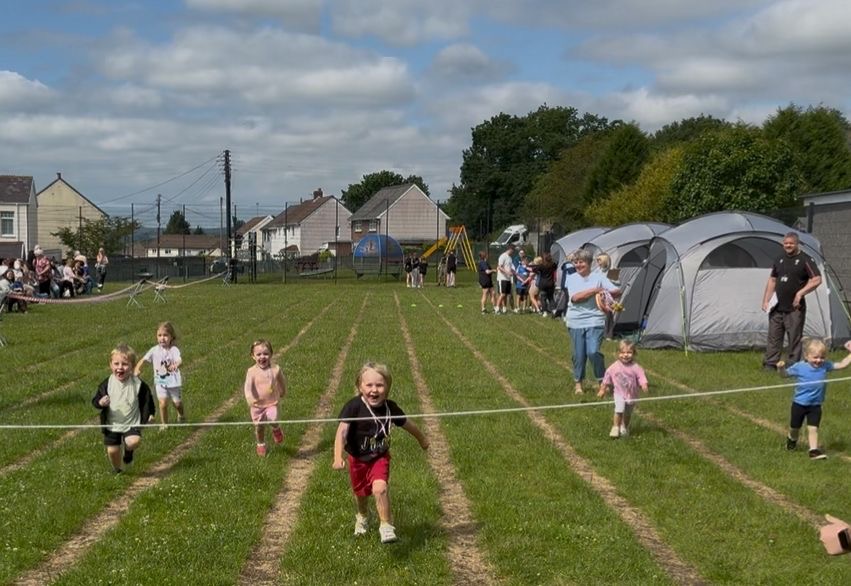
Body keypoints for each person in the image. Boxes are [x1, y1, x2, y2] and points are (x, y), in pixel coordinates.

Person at [332, 362, 429, 543]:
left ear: (388, 387)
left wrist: (422, 439)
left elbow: (408, 425)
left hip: (379, 457)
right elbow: (341, 432)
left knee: (380, 488)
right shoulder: (353, 407)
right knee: (361, 494)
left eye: (379, 385)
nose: (374, 390)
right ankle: (362, 516)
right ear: (360, 386)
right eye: (369, 385)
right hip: (357, 459)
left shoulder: (390, 408)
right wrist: (338, 456)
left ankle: (386, 525)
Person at [778, 338, 851, 460]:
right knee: (795, 428)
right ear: (806, 356)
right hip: (799, 404)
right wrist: (781, 368)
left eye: (822, 357)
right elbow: (784, 375)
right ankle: (791, 441)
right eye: (815, 357)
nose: (819, 360)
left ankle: (813, 451)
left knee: (813, 428)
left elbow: (842, 364)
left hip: (815, 405)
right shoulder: (800, 367)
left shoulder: (825, 366)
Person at [762, 232, 822, 370]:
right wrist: (766, 300)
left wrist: (800, 293)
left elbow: (817, 279)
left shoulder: (805, 259)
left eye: (791, 243)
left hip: (794, 307)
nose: (788, 245)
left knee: (794, 338)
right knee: (773, 336)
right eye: (786, 243)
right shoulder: (779, 259)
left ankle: (793, 365)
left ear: (797, 244)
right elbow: (772, 280)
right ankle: (770, 363)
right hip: (776, 306)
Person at [92, 344, 156, 473]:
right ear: (111, 365)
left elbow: (147, 400)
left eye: (125, 364)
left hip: (132, 423)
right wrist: (100, 402)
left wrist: (151, 414)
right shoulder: (107, 384)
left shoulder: (138, 384)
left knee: (133, 441)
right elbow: (95, 401)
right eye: (116, 364)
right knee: (112, 450)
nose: (120, 367)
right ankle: (118, 470)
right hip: (112, 424)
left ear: (132, 366)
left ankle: (128, 453)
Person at [564, 249, 620, 394]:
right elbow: (576, 298)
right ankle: (578, 384)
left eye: (581, 262)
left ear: (589, 263)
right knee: (578, 354)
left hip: (595, 320)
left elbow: (617, 291)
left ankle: (603, 381)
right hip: (575, 320)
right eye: (576, 262)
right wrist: (595, 290)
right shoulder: (571, 278)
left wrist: (606, 293)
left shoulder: (599, 278)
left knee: (593, 351)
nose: (578, 264)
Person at [135, 321, 185, 428]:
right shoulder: (154, 350)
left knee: (177, 403)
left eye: (165, 335)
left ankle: (181, 414)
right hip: (160, 382)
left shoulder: (174, 350)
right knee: (162, 404)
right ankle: (164, 425)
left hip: (173, 382)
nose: (162, 338)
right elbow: (143, 360)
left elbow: (180, 360)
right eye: (159, 335)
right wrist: (137, 368)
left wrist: (176, 364)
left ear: (171, 337)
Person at [243, 339, 287, 456]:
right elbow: (247, 387)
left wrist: (283, 391)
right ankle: (261, 444)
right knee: (259, 427)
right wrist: (249, 398)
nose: (262, 357)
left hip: (271, 403)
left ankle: (276, 429)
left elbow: (282, 382)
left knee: (272, 419)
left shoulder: (275, 369)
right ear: (253, 356)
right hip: (256, 406)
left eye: (266, 354)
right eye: (259, 354)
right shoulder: (251, 372)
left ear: (271, 354)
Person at [597, 340, 648, 438]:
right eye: (622, 352)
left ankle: (625, 426)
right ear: (618, 353)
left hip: (632, 394)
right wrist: (602, 390)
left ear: (634, 354)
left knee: (628, 413)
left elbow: (641, 376)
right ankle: (615, 427)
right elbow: (606, 378)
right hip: (619, 393)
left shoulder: (635, 367)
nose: (625, 355)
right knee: (619, 410)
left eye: (629, 352)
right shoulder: (614, 367)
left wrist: (643, 384)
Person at [495, 244, 515, 314]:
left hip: (508, 279)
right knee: (502, 294)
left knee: (506, 294)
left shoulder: (510, 258)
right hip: (502, 278)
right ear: (510, 249)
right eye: (513, 250)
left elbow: (509, 267)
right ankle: (497, 308)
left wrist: (512, 272)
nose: (513, 252)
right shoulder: (503, 256)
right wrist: (507, 272)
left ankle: (504, 308)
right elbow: (500, 267)